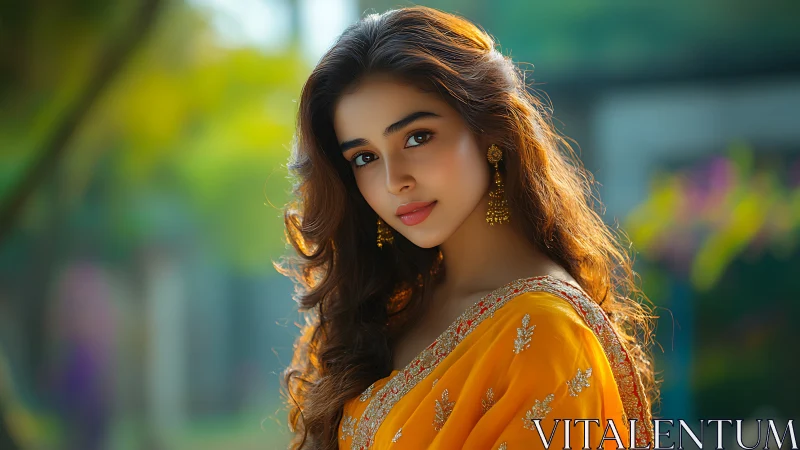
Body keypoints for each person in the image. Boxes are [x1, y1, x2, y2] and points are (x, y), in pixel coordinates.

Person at [276, 6, 658, 450]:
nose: (393, 179)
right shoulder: (399, 307)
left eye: (417, 137)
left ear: (489, 132)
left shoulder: (545, 332)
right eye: (364, 157)